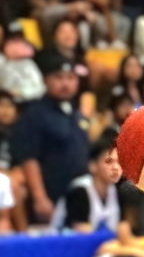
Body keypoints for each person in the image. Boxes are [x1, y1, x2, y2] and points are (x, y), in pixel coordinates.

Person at [12, 55, 91, 224]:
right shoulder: (34, 113)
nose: (65, 84)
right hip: (51, 198)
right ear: (46, 80)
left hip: (78, 199)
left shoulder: (76, 113)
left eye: (70, 78)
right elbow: (29, 158)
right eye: (59, 78)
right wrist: (40, 198)